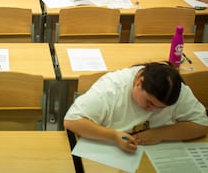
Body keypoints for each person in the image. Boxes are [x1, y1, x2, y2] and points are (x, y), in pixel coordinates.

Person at [64, 62, 208, 153]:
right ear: (139, 82)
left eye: (160, 108)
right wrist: (113, 136)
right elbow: (72, 120)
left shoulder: (176, 90)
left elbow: (202, 124)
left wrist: (161, 134)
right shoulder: (112, 87)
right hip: (111, 153)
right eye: (149, 103)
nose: (152, 110)